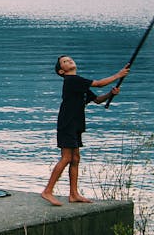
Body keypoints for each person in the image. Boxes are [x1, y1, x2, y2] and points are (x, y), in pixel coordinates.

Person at [41, 56, 129, 206]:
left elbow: (97, 99)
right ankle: (47, 191)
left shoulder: (79, 84)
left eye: (69, 59)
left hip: (76, 124)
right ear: (62, 71)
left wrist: (110, 94)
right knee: (66, 158)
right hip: (67, 124)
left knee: (75, 158)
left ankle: (73, 194)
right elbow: (99, 84)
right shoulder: (72, 81)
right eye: (64, 62)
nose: (69, 61)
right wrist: (118, 75)